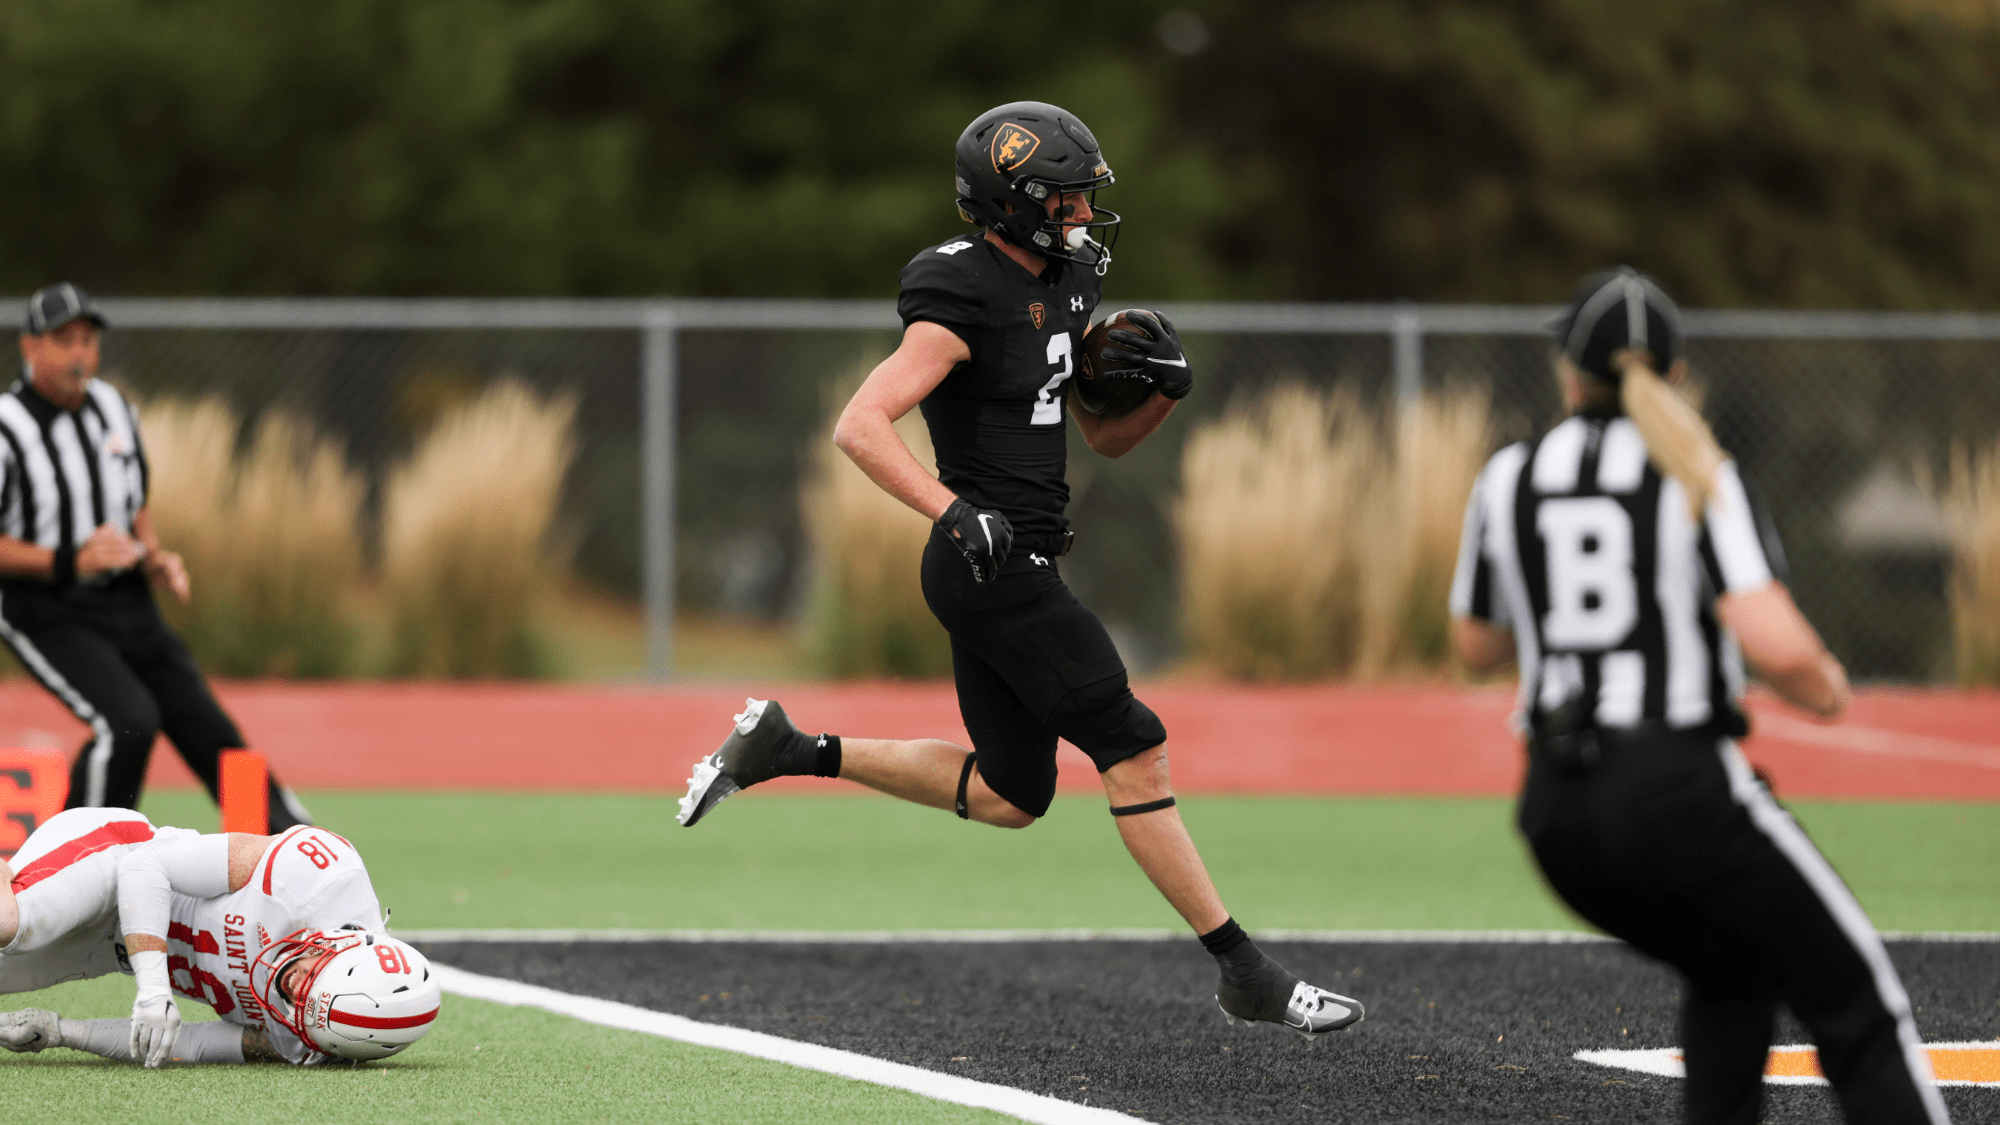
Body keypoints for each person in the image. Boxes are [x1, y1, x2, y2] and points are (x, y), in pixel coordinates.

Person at [677, 102, 1363, 1038]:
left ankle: (791, 750)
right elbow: (860, 424)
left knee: (1011, 794)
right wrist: (955, 510)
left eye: (1085, 195)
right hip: (993, 565)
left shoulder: (1066, 280)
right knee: (1136, 743)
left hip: (1008, 563)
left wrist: (1165, 392)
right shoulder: (960, 294)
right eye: (1068, 197)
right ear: (1014, 203)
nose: (1083, 213)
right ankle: (1244, 969)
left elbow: (1098, 436)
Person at [1449, 267, 1949, 1124]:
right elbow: (1778, 647)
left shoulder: (1510, 476)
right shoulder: (1697, 473)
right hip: (1680, 794)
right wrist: (1826, 687)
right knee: (1861, 1004)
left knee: (1734, 971)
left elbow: (1477, 643)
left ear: (1568, 373)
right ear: (1674, 377)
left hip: (1556, 815)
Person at [0, 283, 311, 828]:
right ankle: (70, 868)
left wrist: (154, 555)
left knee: (208, 726)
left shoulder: (113, 408)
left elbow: (135, 500)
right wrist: (70, 560)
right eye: (64, 339)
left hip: (126, 597)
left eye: (88, 340)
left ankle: (287, 842)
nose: (79, 353)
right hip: (45, 609)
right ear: (30, 348)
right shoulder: (7, 427)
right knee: (127, 723)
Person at [0, 806, 439, 1066]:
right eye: (312, 976)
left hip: (103, 950)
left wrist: (60, 1031)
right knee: (9, 924)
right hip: (118, 862)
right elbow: (145, 865)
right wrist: (154, 989)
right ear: (342, 941)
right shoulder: (316, 879)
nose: (291, 989)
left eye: (301, 1009)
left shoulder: (316, 1040)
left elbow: (187, 1043)